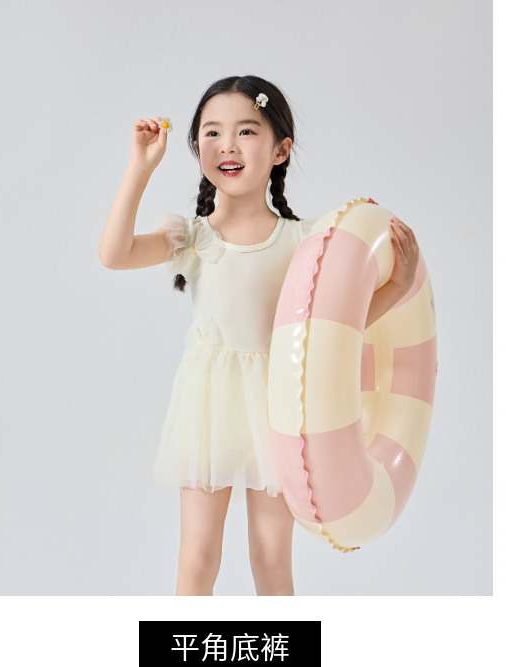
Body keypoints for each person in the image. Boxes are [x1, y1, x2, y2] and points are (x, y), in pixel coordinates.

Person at [99, 75, 419, 596]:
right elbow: (114, 255)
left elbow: (335, 331)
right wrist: (140, 168)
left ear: (280, 150)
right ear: (196, 146)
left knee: (271, 559)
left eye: (246, 131)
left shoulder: (305, 241)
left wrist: (399, 287)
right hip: (207, 410)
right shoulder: (193, 237)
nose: (227, 145)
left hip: (280, 411)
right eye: (212, 132)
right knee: (197, 557)